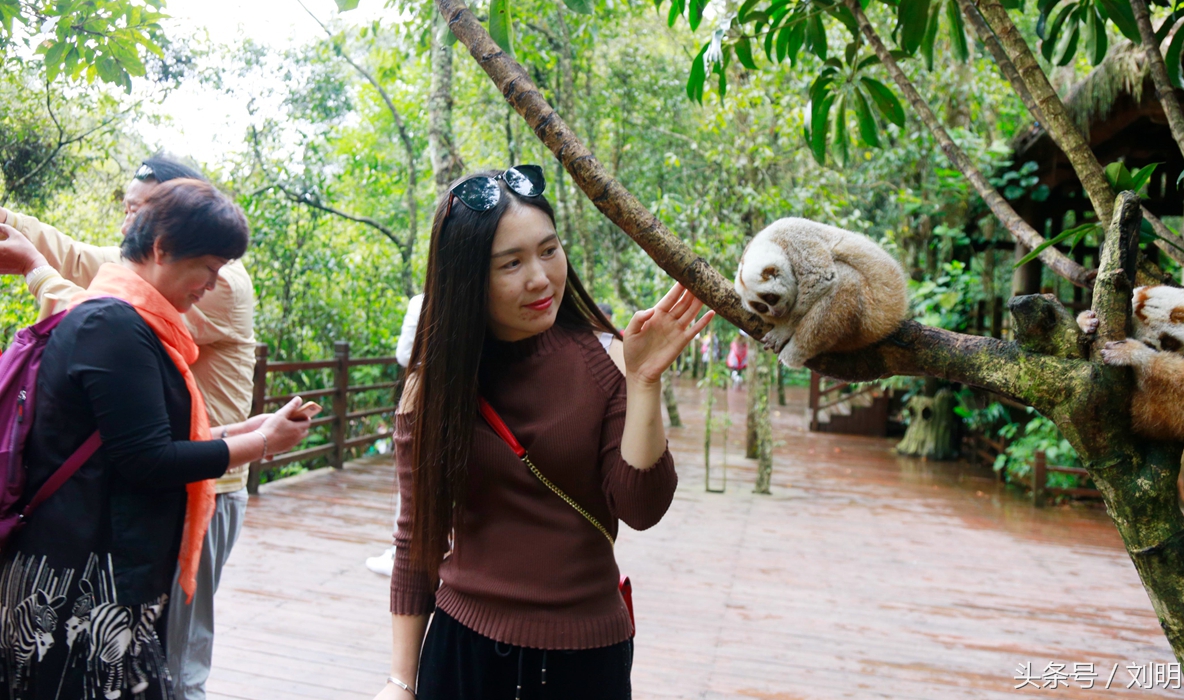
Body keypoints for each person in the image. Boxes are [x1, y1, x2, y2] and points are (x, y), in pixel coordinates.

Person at [376, 166, 712, 700]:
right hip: (464, 651)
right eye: (511, 263)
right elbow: (417, 539)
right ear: (467, 279)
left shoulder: (606, 358)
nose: (540, 278)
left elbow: (642, 508)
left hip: (586, 657)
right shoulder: (435, 389)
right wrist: (400, 680)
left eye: (549, 251)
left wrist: (644, 381)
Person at [0, 179, 311, 700]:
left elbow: (137, 438)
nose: (212, 286)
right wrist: (260, 447)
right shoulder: (114, 325)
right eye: (209, 269)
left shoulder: (127, 319)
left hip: (98, 571)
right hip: (78, 585)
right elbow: (148, 459)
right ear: (162, 248)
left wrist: (246, 428)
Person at [366, 293, 426, 576]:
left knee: (411, 476)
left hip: (426, 396)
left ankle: (401, 553)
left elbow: (404, 354)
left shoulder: (421, 302)